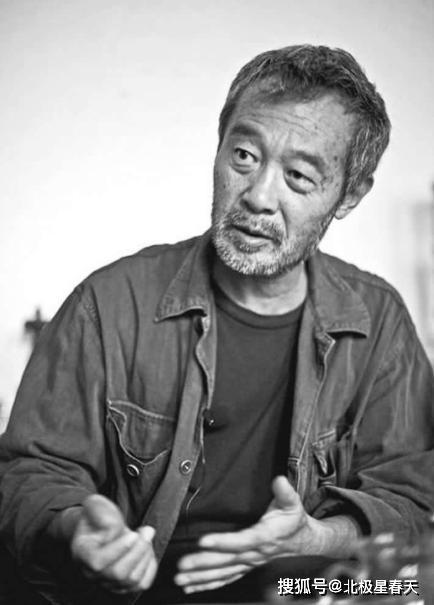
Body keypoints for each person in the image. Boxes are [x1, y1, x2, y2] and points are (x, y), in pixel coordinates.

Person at [0, 44, 433, 605]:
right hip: (140, 596)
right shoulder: (107, 303)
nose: (258, 196)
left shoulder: (378, 321)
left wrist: (319, 537)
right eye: (244, 156)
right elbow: (28, 474)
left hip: (300, 588)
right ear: (220, 144)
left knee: (412, 586)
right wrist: (80, 530)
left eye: (299, 176)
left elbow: (413, 499)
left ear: (349, 194)